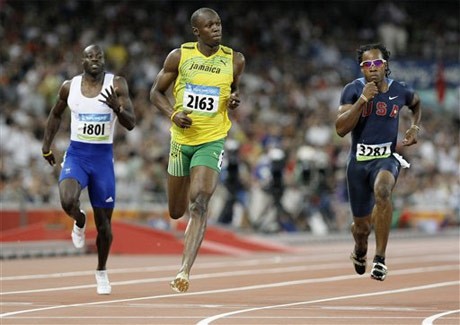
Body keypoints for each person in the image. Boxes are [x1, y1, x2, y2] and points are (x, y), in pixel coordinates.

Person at [149, 7, 245, 293]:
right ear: (196, 31)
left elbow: (233, 89)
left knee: (200, 201)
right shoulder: (179, 56)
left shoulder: (234, 59)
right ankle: (187, 182)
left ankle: (184, 271)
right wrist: (172, 114)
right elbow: (155, 93)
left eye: (219, 23)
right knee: (177, 211)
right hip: (181, 141)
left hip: (211, 139)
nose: (216, 28)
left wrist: (234, 100)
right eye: (210, 25)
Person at [41, 44, 136, 294]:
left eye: (99, 56)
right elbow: (55, 115)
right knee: (67, 201)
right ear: (81, 61)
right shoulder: (68, 87)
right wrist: (46, 146)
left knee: (104, 225)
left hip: (102, 159)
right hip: (77, 155)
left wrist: (117, 108)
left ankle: (101, 271)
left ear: (104, 61)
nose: (95, 60)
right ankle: (80, 220)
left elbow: (131, 123)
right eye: (90, 56)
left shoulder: (116, 84)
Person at [335, 43, 421, 281]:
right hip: (358, 164)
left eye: (377, 63)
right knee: (361, 228)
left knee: (383, 192)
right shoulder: (352, 90)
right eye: (367, 64)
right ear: (362, 69)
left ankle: (380, 259)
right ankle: (360, 250)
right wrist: (362, 100)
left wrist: (414, 127)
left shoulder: (400, 90)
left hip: (386, 159)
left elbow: (416, 104)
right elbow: (341, 129)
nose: (373, 68)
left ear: (386, 65)